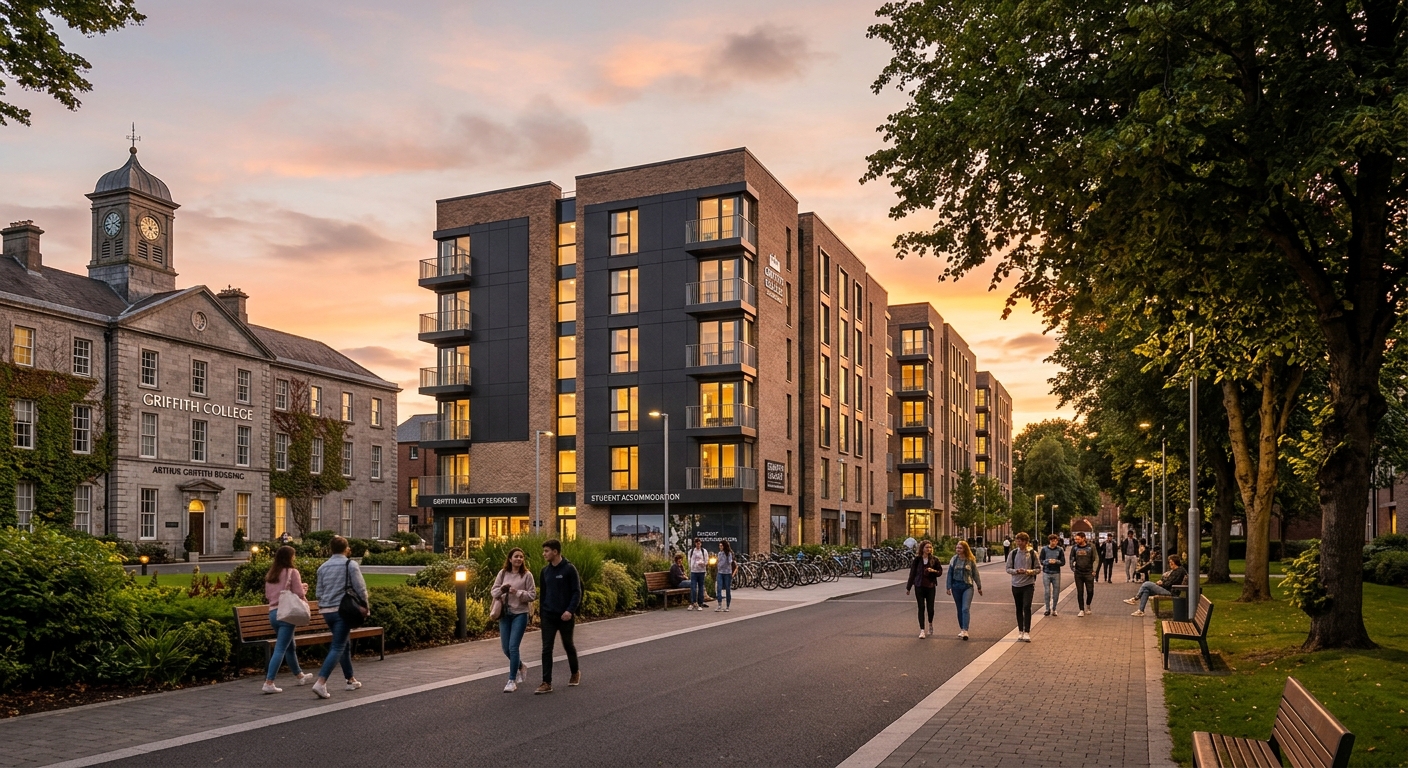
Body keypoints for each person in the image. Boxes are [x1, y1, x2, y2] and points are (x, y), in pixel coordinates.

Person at [311, 536, 367, 699]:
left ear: (331, 549)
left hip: (327, 611)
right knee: (338, 646)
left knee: (344, 643)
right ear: (346, 549)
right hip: (343, 610)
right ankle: (321, 682)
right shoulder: (351, 565)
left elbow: (318, 592)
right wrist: (365, 606)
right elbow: (360, 588)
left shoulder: (322, 567)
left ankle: (350, 679)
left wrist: (324, 603)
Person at [261, 545, 313, 694]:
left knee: (290, 646)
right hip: (286, 614)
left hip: (273, 614)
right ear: (289, 557)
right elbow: (298, 593)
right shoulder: (292, 572)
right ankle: (269, 682)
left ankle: (299, 675)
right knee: (281, 648)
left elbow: (269, 595)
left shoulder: (271, 574)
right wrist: (303, 589)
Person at [535, 538, 581, 693]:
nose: (544, 554)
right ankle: (546, 682)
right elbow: (543, 594)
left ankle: (575, 672)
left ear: (555, 552)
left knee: (568, 644)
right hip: (548, 616)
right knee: (546, 648)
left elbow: (576, 592)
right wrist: (542, 614)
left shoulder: (569, 569)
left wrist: (570, 611)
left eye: (546, 551)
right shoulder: (545, 571)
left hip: (565, 616)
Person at [493, 547, 536, 693]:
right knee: (506, 648)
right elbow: (493, 591)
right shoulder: (503, 573)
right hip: (505, 614)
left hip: (520, 614)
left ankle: (511, 680)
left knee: (513, 647)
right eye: (516, 556)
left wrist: (517, 592)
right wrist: (502, 589)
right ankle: (520, 665)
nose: (519, 559)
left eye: (521, 557)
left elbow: (532, 595)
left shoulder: (527, 575)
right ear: (510, 559)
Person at [1005, 532, 1039, 642]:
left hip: (1028, 584)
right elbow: (1008, 568)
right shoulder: (1013, 553)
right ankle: (1020, 631)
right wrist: (1016, 571)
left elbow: (1038, 569)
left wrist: (1028, 571)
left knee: (1027, 606)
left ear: (1025, 542)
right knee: (1019, 608)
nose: (1018, 543)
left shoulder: (1032, 553)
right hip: (1016, 584)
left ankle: (1027, 631)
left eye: (1020, 541)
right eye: (1017, 541)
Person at [946, 540, 983, 640]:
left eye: (960, 548)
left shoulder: (970, 560)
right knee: (959, 609)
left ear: (965, 549)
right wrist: (948, 587)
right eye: (957, 548)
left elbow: (975, 574)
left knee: (965, 608)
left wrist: (979, 586)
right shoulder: (954, 559)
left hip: (967, 586)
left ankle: (966, 630)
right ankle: (962, 629)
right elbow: (949, 574)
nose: (958, 549)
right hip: (956, 587)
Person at [905, 540, 942, 638]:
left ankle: (930, 623)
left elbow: (940, 572)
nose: (928, 549)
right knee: (921, 607)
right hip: (919, 586)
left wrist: (933, 571)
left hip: (930, 586)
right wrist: (908, 587)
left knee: (930, 608)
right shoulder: (917, 560)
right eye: (926, 547)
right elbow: (912, 574)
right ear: (922, 548)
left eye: (930, 547)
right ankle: (922, 630)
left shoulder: (934, 560)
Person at [1069, 532, 1097, 616]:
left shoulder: (1091, 547)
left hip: (1089, 572)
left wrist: (1094, 570)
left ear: (1083, 538)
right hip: (1078, 573)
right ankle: (1081, 609)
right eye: (1075, 539)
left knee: (1090, 591)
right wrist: (1073, 568)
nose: (1076, 541)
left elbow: (1096, 558)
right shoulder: (1075, 548)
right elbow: (1071, 558)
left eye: (1078, 539)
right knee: (1080, 591)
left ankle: (1088, 604)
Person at [1039, 534, 1065, 617]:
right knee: (1047, 591)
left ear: (1057, 541)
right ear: (1049, 541)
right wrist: (1047, 561)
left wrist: (1056, 562)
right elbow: (1041, 560)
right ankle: (1047, 609)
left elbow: (1063, 562)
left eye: (1055, 541)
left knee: (1056, 591)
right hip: (1046, 572)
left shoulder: (1060, 550)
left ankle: (1054, 608)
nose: (1053, 542)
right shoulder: (1044, 549)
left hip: (1056, 572)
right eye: (1052, 541)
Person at [714, 541, 737, 612]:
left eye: (721, 546)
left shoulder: (729, 553)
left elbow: (730, 562)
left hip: (727, 573)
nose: (720, 547)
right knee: (719, 588)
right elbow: (718, 561)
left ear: (724, 546)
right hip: (720, 572)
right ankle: (719, 605)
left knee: (727, 589)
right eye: (719, 546)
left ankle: (727, 606)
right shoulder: (719, 553)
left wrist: (728, 560)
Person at [687, 538, 709, 611]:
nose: (698, 545)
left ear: (701, 544)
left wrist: (703, 563)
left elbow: (706, 560)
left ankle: (700, 603)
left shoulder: (704, 551)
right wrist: (691, 568)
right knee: (693, 587)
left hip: (701, 571)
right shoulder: (691, 551)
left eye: (699, 543)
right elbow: (689, 560)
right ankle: (693, 602)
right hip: (694, 571)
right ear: (695, 544)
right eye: (697, 543)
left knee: (701, 587)